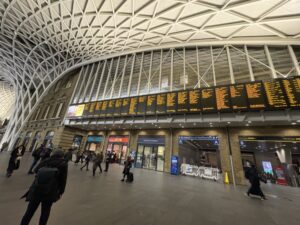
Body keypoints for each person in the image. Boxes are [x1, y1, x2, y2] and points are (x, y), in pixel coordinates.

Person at [20, 149, 68, 225]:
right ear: (62, 155)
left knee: (29, 211)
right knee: (45, 212)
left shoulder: (46, 160)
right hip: (50, 190)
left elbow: (35, 170)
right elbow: (63, 179)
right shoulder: (63, 163)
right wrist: (61, 192)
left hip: (37, 188)